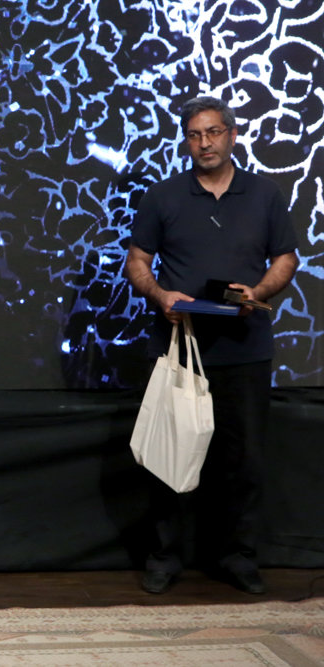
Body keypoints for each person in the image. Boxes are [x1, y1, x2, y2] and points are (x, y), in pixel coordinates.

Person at [125, 96, 298, 595]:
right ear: (187, 141)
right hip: (179, 350)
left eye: (214, 132)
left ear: (232, 135)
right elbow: (137, 260)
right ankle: (165, 557)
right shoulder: (163, 196)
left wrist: (258, 292)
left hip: (246, 349)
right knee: (170, 457)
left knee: (244, 463)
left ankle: (238, 557)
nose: (205, 143)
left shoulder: (264, 194)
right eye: (195, 135)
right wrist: (160, 294)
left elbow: (286, 258)